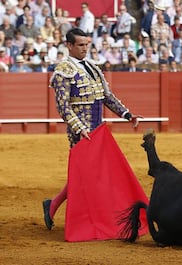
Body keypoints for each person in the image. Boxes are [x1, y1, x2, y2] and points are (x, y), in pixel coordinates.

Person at [42, 28, 142, 230]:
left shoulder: (93, 68)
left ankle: (55, 206)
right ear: (69, 45)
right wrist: (79, 128)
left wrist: (127, 114)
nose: (84, 49)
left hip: (98, 131)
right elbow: (63, 107)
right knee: (87, 177)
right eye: (80, 45)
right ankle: (87, 217)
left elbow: (106, 96)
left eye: (87, 44)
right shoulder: (63, 70)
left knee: (89, 176)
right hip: (81, 133)